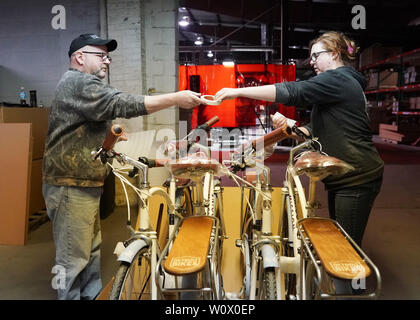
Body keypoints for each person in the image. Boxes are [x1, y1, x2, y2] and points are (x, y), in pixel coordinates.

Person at [215, 31, 384, 293]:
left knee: (345, 253)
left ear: (335, 54)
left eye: (316, 55)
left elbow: (294, 91)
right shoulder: (338, 85)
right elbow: (313, 130)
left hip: (357, 175)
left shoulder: (338, 79)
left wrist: (237, 92)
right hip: (344, 175)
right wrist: (289, 128)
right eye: (311, 57)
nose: (312, 62)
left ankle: (350, 294)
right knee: (338, 243)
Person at [42, 33, 202, 300]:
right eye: (100, 55)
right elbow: (121, 103)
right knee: (73, 260)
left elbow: (90, 122)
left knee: (90, 253)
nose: (106, 61)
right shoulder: (78, 82)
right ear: (79, 57)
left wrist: (110, 137)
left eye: (108, 56)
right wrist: (176, 98)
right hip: (70, 185)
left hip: (84, 183)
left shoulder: (82, 85)